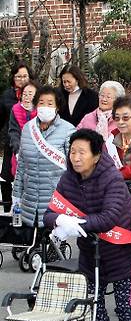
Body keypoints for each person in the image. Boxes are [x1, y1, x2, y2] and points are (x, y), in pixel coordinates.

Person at [44, 129, 131, 321]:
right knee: (88, 304)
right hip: (90, 253)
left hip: (121, 252)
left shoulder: (112, 179)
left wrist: (76, 224)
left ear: (97, 155)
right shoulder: (69, 178)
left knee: (125, 307)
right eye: (72, 152)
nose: (75, 157)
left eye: (81, 152)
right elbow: (49, 213)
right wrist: (59, 221)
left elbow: (109, 217)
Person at [13, 85, 76, 227]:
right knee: (28, 244)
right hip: (29, 200)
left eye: (50, 103)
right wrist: (16, 194)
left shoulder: (68, 130)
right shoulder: (28, 129)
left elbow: (73, 169)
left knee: (51, 245)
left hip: (54, 200)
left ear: (57, 107)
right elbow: (21, 165)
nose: (45, 106)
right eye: (41, 103)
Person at [1, 62, 32, 211]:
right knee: (6, 177)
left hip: (32, 144)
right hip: (11, 142)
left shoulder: (36, 93)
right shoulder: (7, 95)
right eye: (18, 76)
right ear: (13, 78)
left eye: (25, 76)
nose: (22, 79)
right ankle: (7, 209)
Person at [8, 80, 38, 177]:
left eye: (30, 94)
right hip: (20, 153)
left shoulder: (41, 111)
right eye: (24, 94)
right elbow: (14, 132)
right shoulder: (15, 109)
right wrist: (17, 151)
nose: (26, 97)